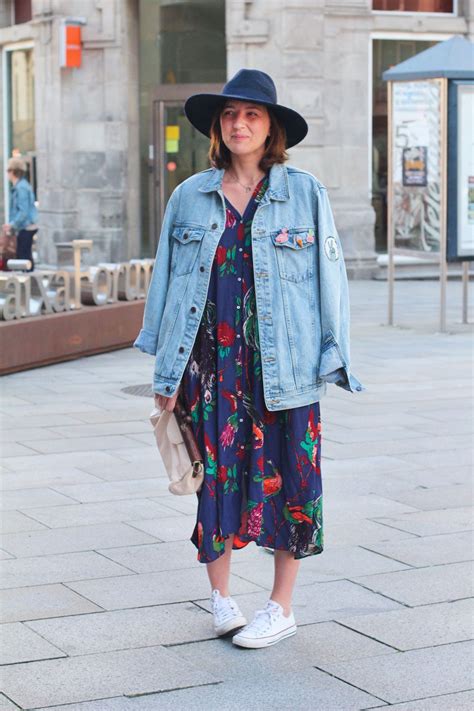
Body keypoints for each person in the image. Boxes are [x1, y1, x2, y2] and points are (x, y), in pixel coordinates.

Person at [134, 69, 365, 649]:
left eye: (252, 116)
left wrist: (332, 358)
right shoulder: (190, 195)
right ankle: (221, 598)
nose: (240, 124)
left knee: (293, 482)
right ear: (219, 126)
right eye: (231, 115)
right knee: (214, 479)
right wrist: (166, 374)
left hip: (286, 369)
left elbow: (329, 279)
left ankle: (280, 607)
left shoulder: (305, 193)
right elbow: (166, 283)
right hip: (210, 369)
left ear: (271, 129)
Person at [3, 157, 38, 271]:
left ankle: (27, 284)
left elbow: (23, 211)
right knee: (25, 256)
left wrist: (12, 224)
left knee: (23, 256)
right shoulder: (21, 186)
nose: (7, 173)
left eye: (8, 170)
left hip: (26, 227)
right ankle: (29, 283)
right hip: (25, 226)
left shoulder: (21, 187)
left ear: (13, 171)